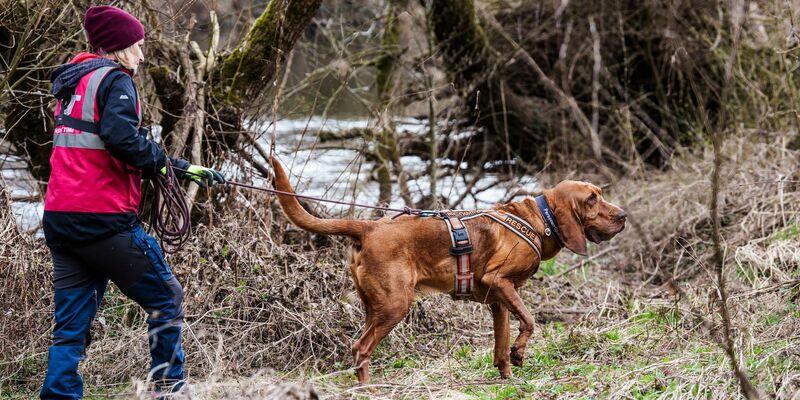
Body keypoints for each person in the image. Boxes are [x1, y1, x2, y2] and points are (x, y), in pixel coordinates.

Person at [40, 5, 222, 399]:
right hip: (102, 220)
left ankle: (58, 396)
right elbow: (121, 139)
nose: (142, 55)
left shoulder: (73, 82)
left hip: (60, 218)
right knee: (166, 296)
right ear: (119, 48)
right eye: (137, 46)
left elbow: (101, 142)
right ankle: (169, 389)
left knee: (70, 325)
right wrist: (168, 165)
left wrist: (174, 166)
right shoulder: (116, 80)